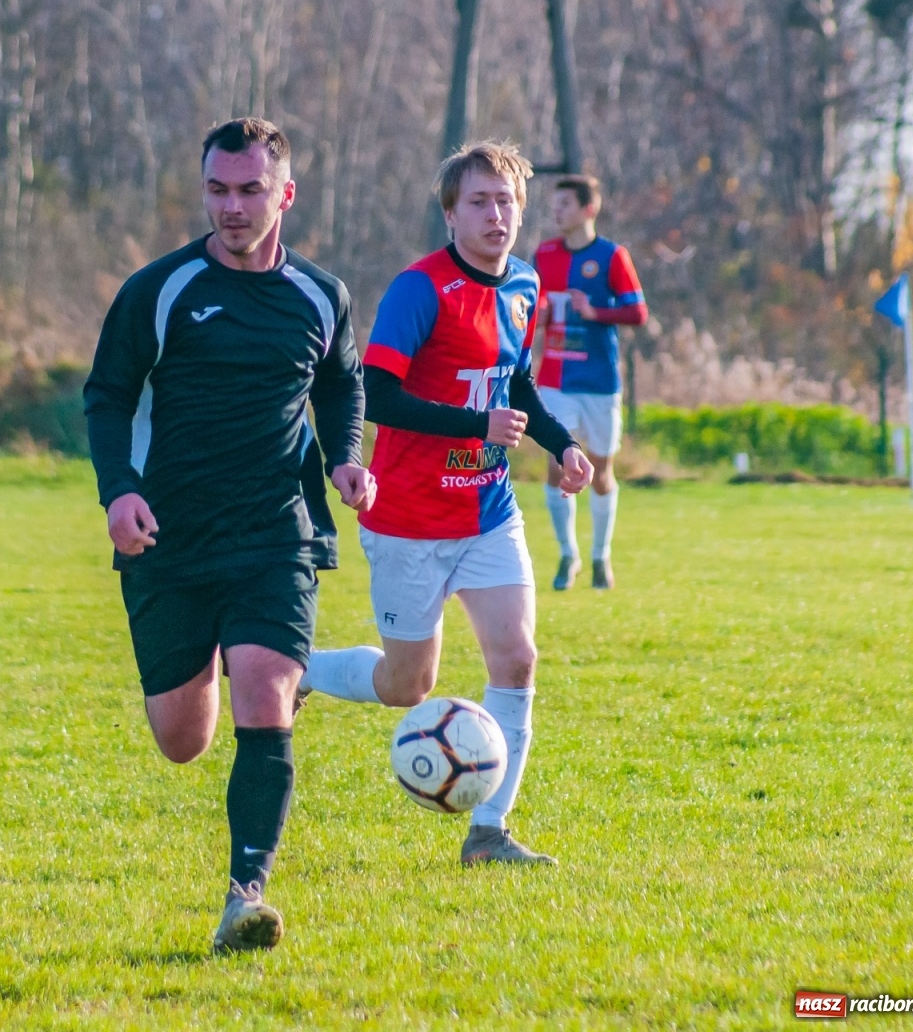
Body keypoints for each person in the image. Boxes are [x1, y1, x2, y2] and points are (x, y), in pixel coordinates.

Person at [83, 117, 373, 952]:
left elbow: (342, 386)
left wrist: (346, 461)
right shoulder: (160, 289)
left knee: (262, 695)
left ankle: (245, 895)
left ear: (285, 194)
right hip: (170, 535)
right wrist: (119, 493)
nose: (233, 207)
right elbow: (107, 395)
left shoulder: (321, 295)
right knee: (183, 740)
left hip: (277, 531)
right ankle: (253, 664)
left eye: (250, 191)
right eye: (218, 189)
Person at [297, 141, 592, 867]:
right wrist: (475, 425)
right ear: (451, 214)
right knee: (408, 686)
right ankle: (299, 667)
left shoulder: (524, 286)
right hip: (409, 518)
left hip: (488, 510)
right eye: (480, 202)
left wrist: (560, 445)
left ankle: (489, 832)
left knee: (518, 658)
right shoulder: (418, 290)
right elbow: (379, 396)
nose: (497, 214)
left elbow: (515, 383)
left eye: (507, 201)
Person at [532, 174, 648, 590]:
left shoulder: (612, 256)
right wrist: (537, 316)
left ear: (588, 209)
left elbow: (637, 312)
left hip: (599, 381)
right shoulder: (544, 254)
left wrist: (597, 311)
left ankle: (601, 557)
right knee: (556, 463)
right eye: (555, 204)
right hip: (554, 380)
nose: (556, 211)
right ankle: (568, 554)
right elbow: (529, 305)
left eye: (564, 204)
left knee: (600, 471)